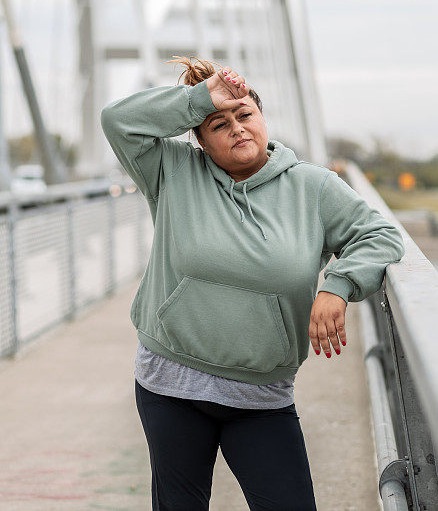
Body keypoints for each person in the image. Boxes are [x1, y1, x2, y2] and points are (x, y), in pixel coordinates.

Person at [100, 56, 406, 510]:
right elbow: (118, 120)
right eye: (218, 124)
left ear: (262, 118)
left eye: (245, 115)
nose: (237, 128)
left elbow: (380, 236)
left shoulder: (313, 187)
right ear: (200, 140)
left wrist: (337, 285)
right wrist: (200, 98)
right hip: (170, 385)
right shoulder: (173, 172)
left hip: (260, 395)